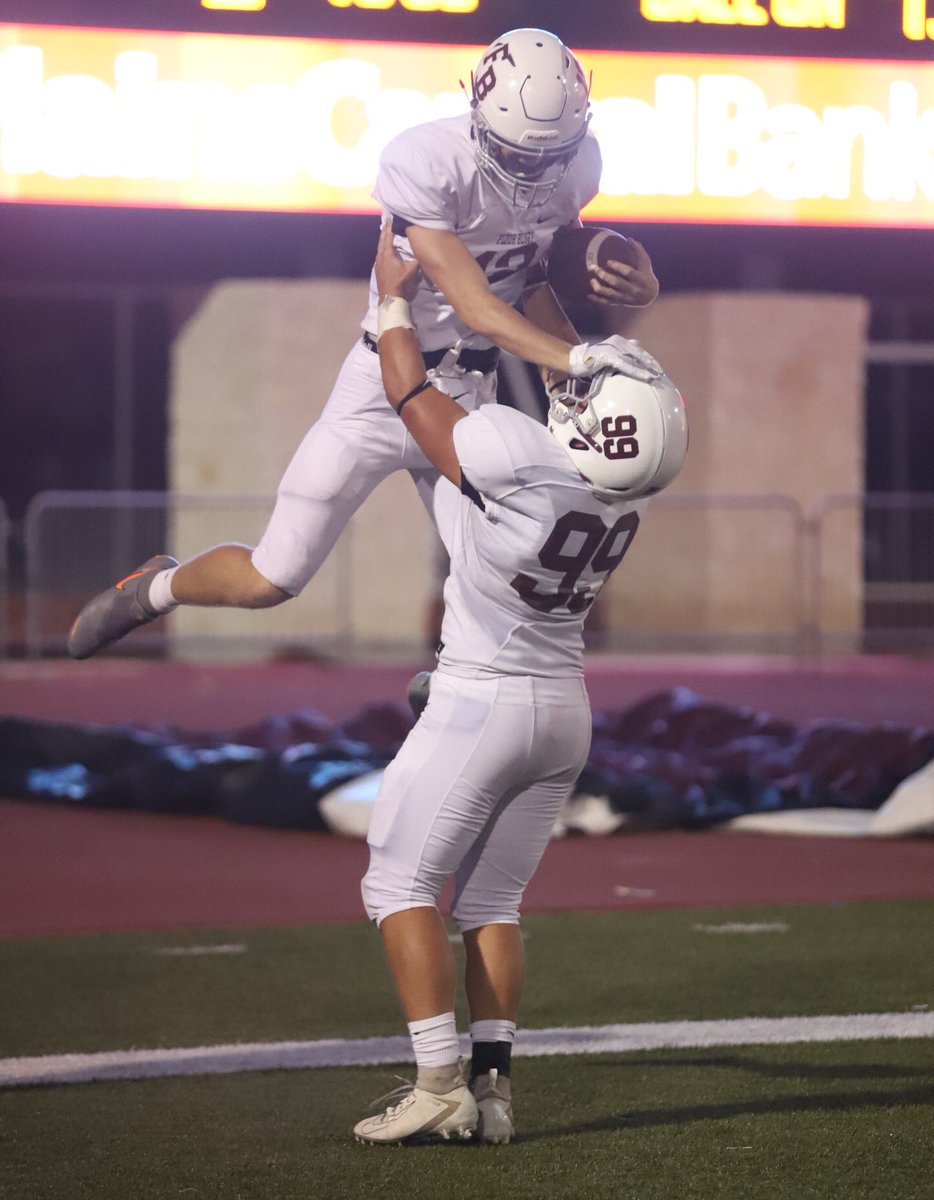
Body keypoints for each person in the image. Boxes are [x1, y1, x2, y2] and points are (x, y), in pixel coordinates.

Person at [66, 28, 662, 661]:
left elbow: (533, 272)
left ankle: (457, 678)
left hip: (470, 390)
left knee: (501, 569)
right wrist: (576, 357)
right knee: (275, 577)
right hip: (383, 385)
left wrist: (611, 311)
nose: (533, 172)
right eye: (517, 156)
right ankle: (154, 589)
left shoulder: (579, 164)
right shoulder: (425, 159)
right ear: (479, 118)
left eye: (550, 157)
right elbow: (475, 305)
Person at [351, 221, 687, 1146]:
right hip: (562, 710)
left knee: (398, 886)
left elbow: (412, 394)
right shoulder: (624, 487)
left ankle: (438, 1083)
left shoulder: (523, 459)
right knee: (491, 904)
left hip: (482, 699)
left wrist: (390, 302)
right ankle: (494, 1094)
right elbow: (583, 405)